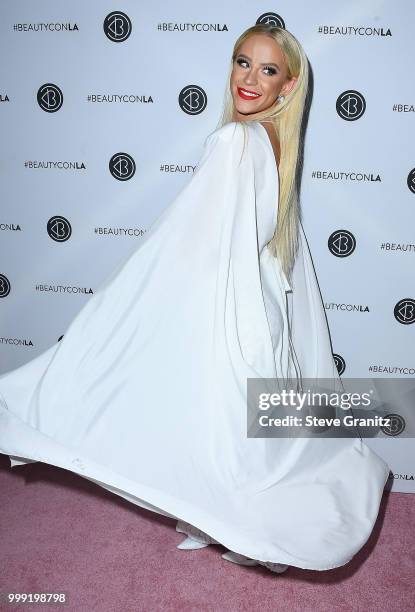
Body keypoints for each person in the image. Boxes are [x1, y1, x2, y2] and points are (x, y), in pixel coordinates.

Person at [0, 24, 390, 574]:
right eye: (242, 62)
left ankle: (236, 525)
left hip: (228, 313)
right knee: (239, 437)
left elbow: (185, 239)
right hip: (261, 310)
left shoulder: (235, 139)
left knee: (215, 435)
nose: (249, 79)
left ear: (289, 85)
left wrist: (120, 307)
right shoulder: (278, 142)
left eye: (267, 70)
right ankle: (223, 525)